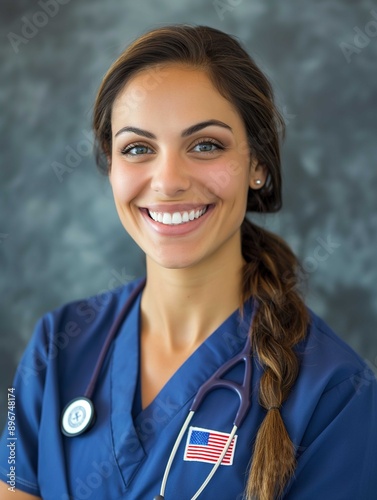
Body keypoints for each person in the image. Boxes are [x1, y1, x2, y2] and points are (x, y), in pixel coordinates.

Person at [0, 24, 376, 500]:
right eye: (137, 149)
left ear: (258, 164)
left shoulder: (337, 392)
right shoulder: (56, 345)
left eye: (206, 145)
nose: (169, 180)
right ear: (111, 169)